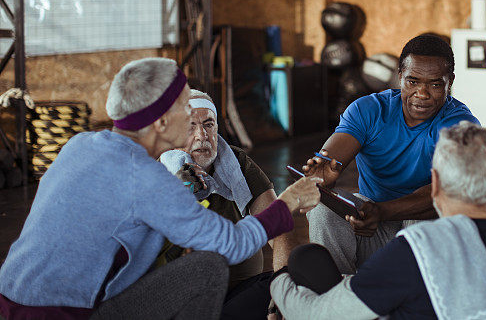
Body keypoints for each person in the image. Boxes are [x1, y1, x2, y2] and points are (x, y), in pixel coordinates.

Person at [0, 58, 321, 320]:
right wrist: (288, 200)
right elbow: (232, 244)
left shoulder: (80, 145)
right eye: (184, 109)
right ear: (161, 123)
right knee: (208, 266)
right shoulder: (147, 178)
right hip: (65, 315)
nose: (192, 118)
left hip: (10, 299)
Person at [271, 121, 486, 320]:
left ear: (436, 183)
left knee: (302, 260)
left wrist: (279, 280)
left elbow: (315, 315)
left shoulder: (419, 249)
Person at [303, 33, 483, 274]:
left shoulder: (460, 124)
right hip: (369, 227)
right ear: (399, 77)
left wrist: (383, 212)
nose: (422, 93)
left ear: (450, 81)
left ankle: (412, 296)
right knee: (323, 209)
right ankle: (338, 295)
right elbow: (331, 157)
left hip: (425, 234)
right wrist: (322, 176)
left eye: (435, 84)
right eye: (413, 81)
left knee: (420, 220)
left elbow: (446, 192)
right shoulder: (369, 109)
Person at [159, 90, 302, 320]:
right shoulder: (157, 171)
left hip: (238, 293)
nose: (201, 135)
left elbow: (279, 227)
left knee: (293, 283)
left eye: (209, 124)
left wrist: (283, 288)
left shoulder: (237, 165)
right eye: (190, 126)